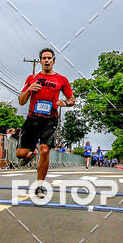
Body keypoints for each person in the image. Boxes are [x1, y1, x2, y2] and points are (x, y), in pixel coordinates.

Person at [16, 48, 75, 196]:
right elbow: (21, 101)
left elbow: (72, 99)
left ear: (53, 61)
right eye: (44, 58)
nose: (47, 60)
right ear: (40, 61)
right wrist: (29, 89)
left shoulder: (61, 79)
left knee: (45, 150)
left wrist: (65, 103)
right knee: (20, 154)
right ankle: (30, 154)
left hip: (50, 120)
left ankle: (40, 185)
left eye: (49, 58)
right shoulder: (32, 78)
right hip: (32, 119)